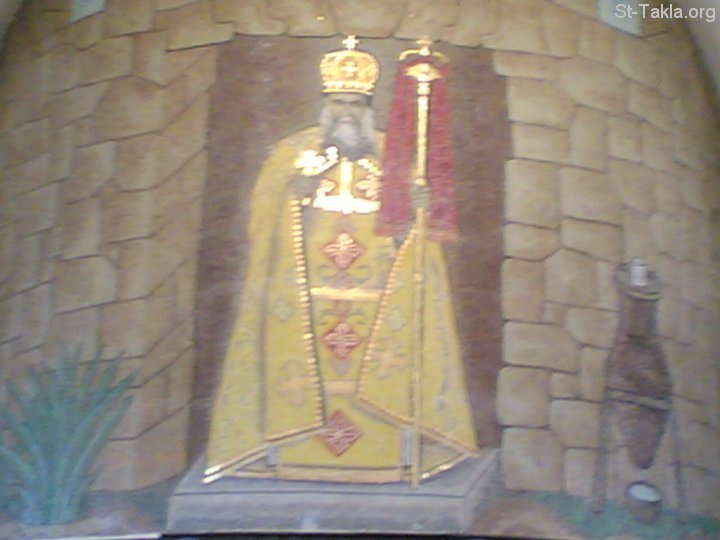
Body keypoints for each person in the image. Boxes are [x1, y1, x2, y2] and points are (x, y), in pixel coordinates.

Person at [204, 37, 478, 485]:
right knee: (303, 377)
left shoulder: (396, 157)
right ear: (325, 103)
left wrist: (420, 207)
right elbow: (261, 221)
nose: (347, 111)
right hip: (304, 298)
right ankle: (292, 459)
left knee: (377, 374)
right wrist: (293, 193)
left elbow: (415, 232)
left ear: (369, 106)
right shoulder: (292, 154)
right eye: (339, 102)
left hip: (377, 297)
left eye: (356, 103)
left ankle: (384, 460)